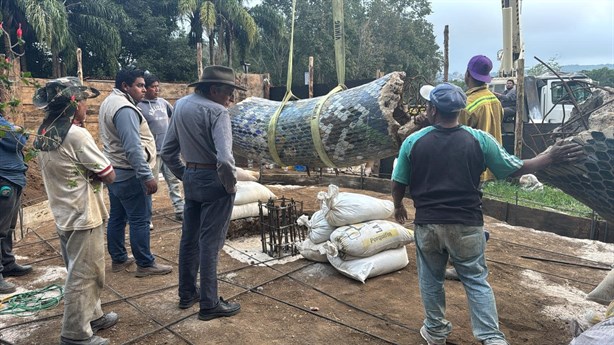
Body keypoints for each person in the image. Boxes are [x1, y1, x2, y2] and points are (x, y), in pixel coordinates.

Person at [391, 82, 583, 345]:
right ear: (459, 110)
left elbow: (398, 180)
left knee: (431, 279)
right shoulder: (478, 139)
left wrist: (398, 204)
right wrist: (551, 156)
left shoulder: (413, 141)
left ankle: (435, 332)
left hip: (428, 224)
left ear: (433, 110)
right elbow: (516, 168)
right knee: (475, 280)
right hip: (467, 224)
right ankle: (491, 339)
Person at [33, 77, 118, 345]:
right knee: (84, 275)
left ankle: (92, 316)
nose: (85, 107)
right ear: (72, 104)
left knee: (82, 269)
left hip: (63, 212)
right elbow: (108, 174)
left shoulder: (44, 132)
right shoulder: (76, 135)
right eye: (81, 101)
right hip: (83, 214)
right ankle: (75, 334)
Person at [161, 65, 244, 320]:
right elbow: (226, 160)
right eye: (229, 92)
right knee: (210, 243)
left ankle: (187, 293)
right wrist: (229, 186)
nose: (231, 98)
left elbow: (167, 151)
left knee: (189, 239)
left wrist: (185, 175)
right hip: (214, 179)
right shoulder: (218, 112)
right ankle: (209, 304)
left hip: (192, 177)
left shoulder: (181, 105)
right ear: (214, 89)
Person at [99, 68, 172, 277]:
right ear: (125, 86)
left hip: (115, 171)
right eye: (139, 85)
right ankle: (145, 263)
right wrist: (147, 175)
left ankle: (119, 258)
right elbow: (132, 147)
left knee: (117, 217)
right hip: (130, 173)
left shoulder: (109, 102)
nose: (144, 89)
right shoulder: (125, 109)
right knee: (140, 219)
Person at [137, 73, 184, 221]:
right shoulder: (139, 107)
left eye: (158, 86)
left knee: (174, 181)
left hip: (168, 151)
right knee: (151, 185)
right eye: (153, 87)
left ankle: (180, 209)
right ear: (146, 88)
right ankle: (147, 216)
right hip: (152, 153)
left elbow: (175, 115)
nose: (156, 90)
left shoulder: (163, 103)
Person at [0, 115, 33, 294]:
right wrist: (19, 131)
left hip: (14, 177)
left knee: (8, 227)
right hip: (4, 177)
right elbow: (18, 140)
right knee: (0, 228)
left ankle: (7, 263)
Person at [459, 55, 504, 182]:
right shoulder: (495, 100)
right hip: (494, 169)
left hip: (474, 171)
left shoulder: (466, 104)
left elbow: (458, 138)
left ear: (467, 74)